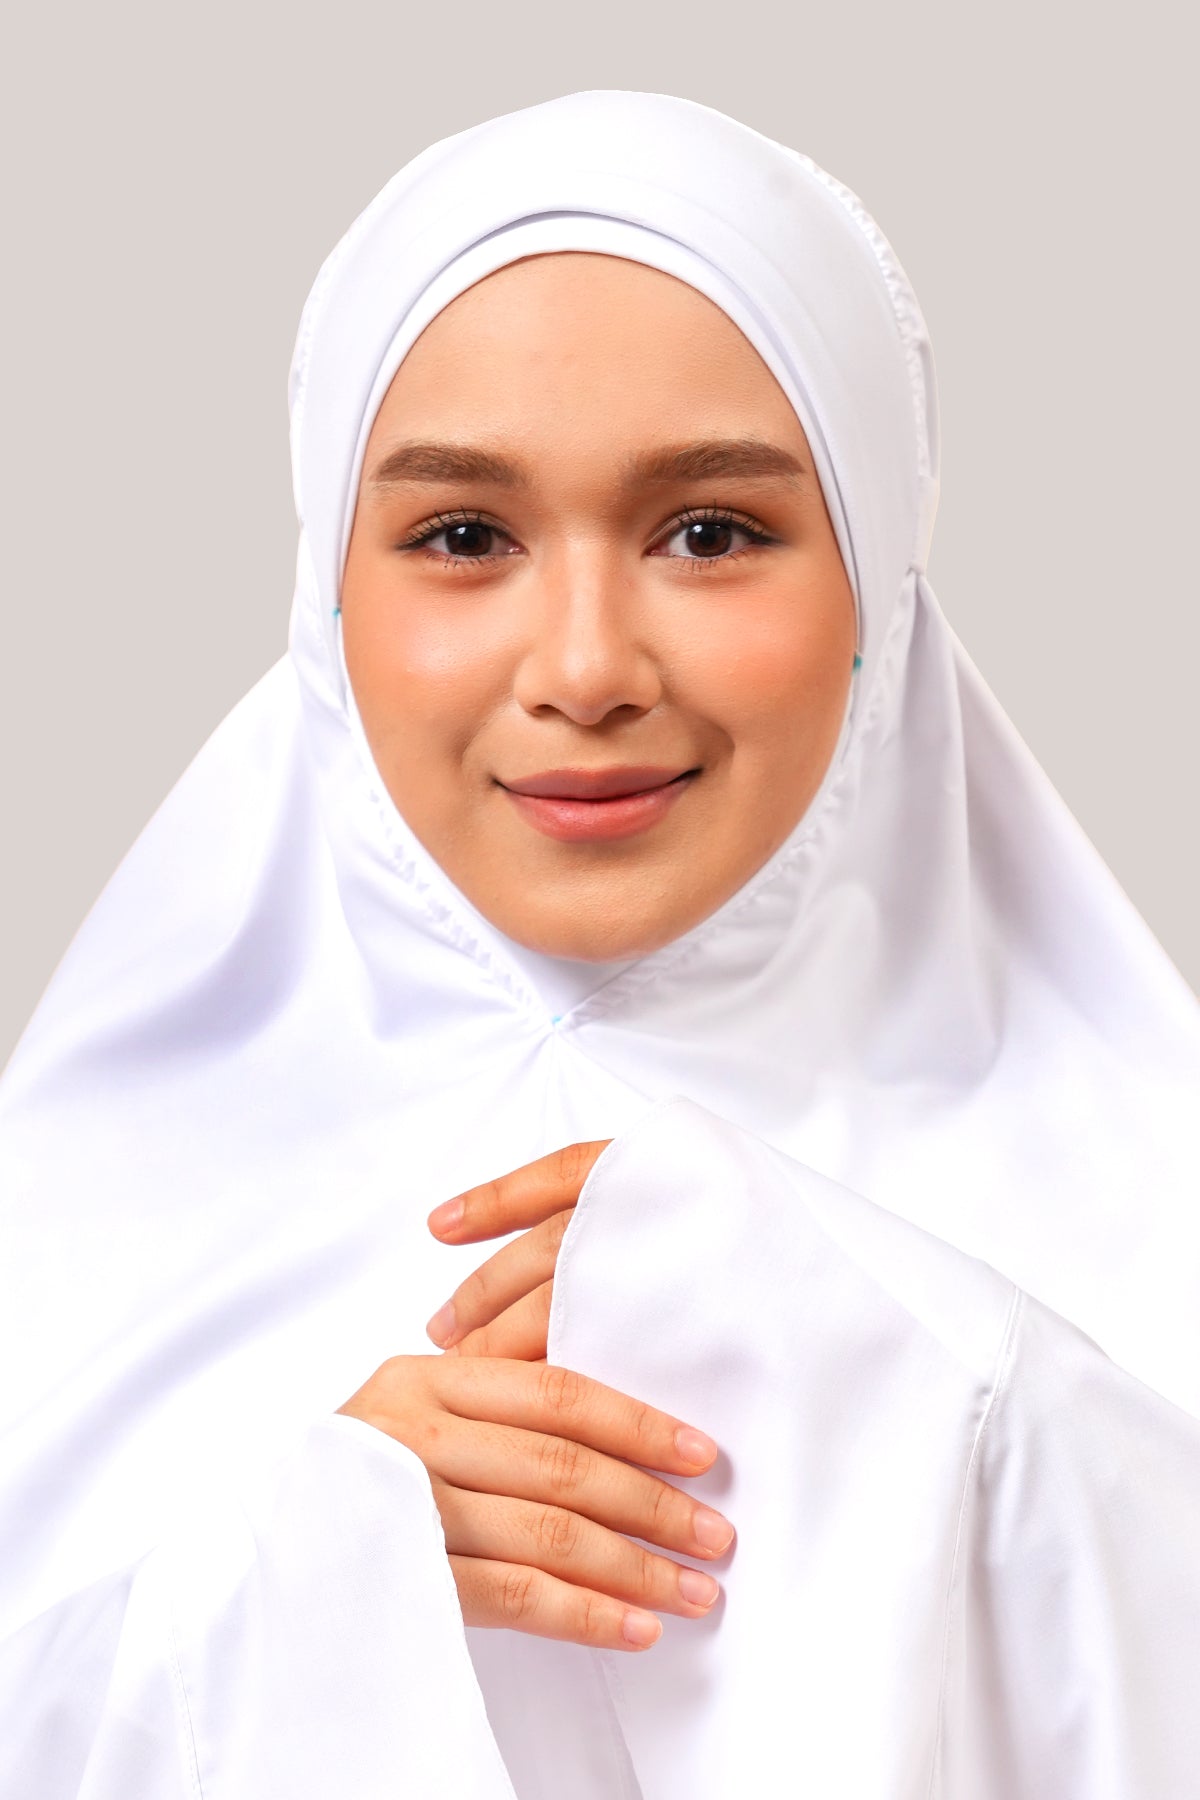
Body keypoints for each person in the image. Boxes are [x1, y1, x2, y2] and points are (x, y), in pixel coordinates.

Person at [0, 89, 1196, 1798]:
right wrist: (284, 1589)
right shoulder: (62, 1233)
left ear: (880, 578)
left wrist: (951, 1389)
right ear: (328, 593)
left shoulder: (1153, 1207)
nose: (583, 669)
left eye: (711, 534)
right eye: (463, 537)